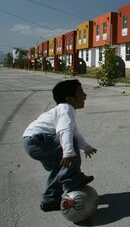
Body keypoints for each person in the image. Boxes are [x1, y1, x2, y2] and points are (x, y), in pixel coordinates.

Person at [22, 79, 97, 212]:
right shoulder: (66, 108)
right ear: (69, 99)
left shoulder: (64, 109)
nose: (85, 95)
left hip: (31, 142)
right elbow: (64, 131)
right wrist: (68, 153)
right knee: (69, 152)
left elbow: (74, 131)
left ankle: (49, 200)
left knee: (61, 167)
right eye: (81, 92)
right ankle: (71, 179)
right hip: (39, 140)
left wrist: (86, 147)